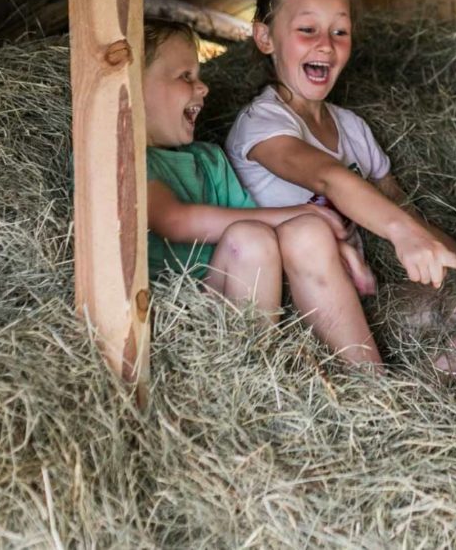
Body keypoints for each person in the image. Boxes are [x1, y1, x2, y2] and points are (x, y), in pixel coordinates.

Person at [223, 0, 456, 354]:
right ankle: (369, 390)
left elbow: (399, 207)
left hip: (358, 300)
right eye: (308, 29)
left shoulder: (353, 128)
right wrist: (403, 234)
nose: (326, 44)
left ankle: (431, 378)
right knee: (308, 233)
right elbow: (328, 178)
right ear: (264, 37)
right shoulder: (262, 123)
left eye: (340, 32)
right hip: (288, 314)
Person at [143, 19, 381, 365]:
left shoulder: (208, 159)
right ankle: (251, 378)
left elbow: (273, 230)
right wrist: (298, 211)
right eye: (186, 77)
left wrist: (330, 239)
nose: (203, 88)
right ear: (129, 85)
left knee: (303, 231)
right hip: (167, 328)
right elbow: (175, 221)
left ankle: (372, 384)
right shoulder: (122, 160)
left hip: (226, 301)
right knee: (249, 239)